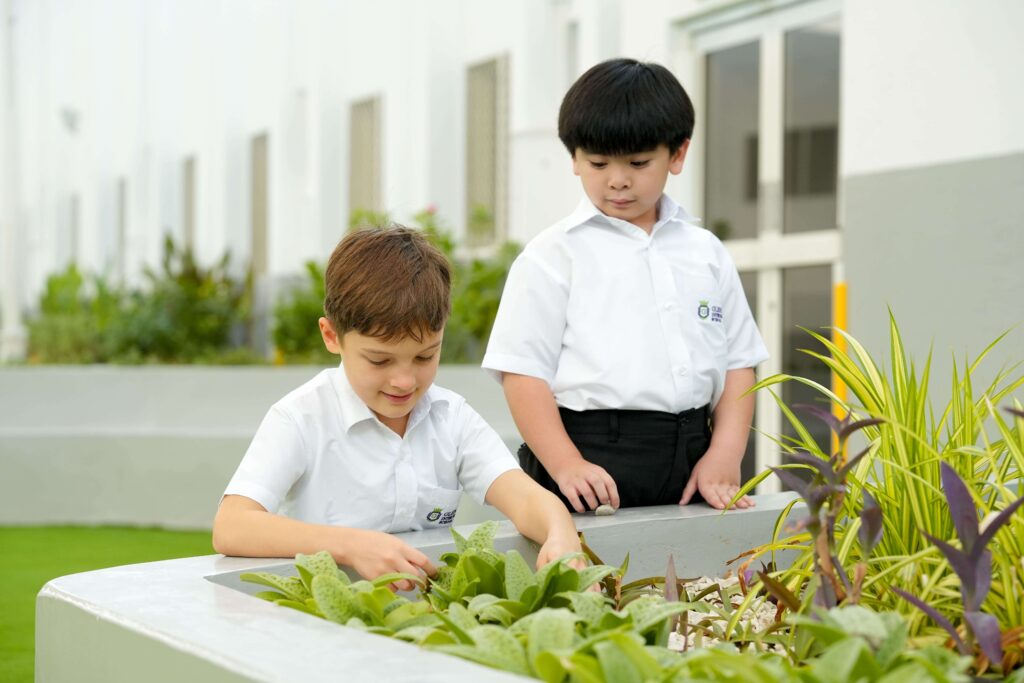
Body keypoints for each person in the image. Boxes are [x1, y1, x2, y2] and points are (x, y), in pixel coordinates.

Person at [213, 227, 582, 590]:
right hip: (320, 623)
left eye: (425, 356)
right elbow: (232, 526)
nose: (404, 381)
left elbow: (524, 498)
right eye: (379, 361)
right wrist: (351, 545)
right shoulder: (300, 418)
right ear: (331, 336)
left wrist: (559, 531)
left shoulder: (451, 417)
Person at [482, 58, 768, 515]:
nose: (617, 179)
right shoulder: (552, 255)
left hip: (695, 461)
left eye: (638, 162)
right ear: (574, 158)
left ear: (677, 155)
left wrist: (725, 454)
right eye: (598, 162)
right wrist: (566, 464)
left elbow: (740, 364)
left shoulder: (706, 252)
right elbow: (522, 373)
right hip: (588, 463)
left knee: (703, 583)